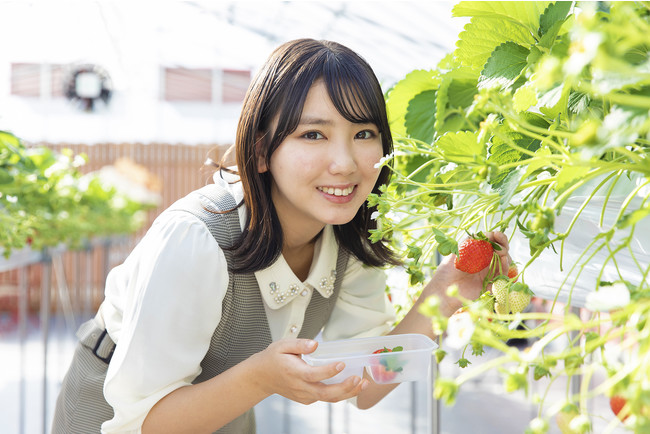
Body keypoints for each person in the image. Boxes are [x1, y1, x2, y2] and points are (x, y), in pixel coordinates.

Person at [53, 38, 510, 433]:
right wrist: (259, 378)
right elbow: (146, 422)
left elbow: (366, 383)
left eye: (364, 133)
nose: (346, 163)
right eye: (313, 135)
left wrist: (444, 295)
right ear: (260, 153)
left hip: (220, 414)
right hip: (115, 417)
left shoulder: (348, 240)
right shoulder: (197, 240)